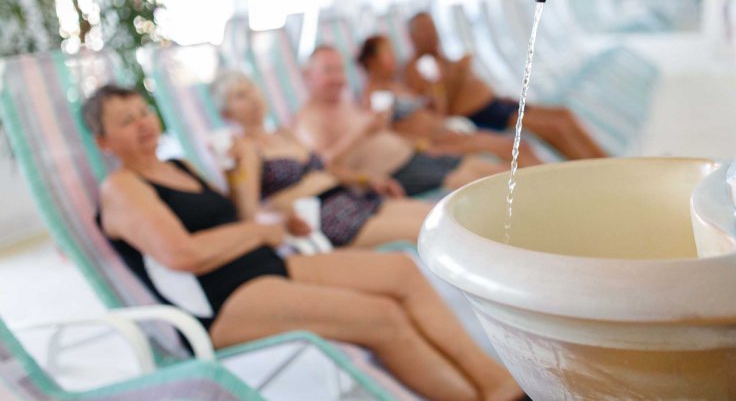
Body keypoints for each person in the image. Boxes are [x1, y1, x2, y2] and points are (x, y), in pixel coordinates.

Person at [84, 84, 525, 401]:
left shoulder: (178, 165)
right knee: (380, 315)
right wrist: (260, 232)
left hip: (264, 264)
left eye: (143, 112)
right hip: (221, 301)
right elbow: (183, 254)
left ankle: (498, 384)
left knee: (400, 271)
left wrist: (246, 185)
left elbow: (238, 219)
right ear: (104, 142)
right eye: (126, 120)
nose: (142, 123)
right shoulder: (121, 188)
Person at [210, 70, 431, 248]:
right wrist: (282, 221)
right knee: (423, 233)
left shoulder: (284, 133)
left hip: (349, 198)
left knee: (433, 217)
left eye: (252, 89)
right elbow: (248, 213)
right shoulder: (244, 150)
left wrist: (367, 180)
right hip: (325, 218)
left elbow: (327, 169)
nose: (252, 98)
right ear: (226, 114)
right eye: (240, 95)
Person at [294, 46, 505, 197]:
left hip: (413, 154)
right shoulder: (309, 120)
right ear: (308, 75)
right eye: (328, 71)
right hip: (395, 172)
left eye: (340, 70)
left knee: (485, 168)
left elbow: (377, 133)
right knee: (472, 182)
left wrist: (419, 145)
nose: (338, 78)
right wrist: (361, 135)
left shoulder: (344, 101)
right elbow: (322, 165)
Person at [403, 12, 608, 160]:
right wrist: (456, 75)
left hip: (496, 103)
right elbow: (439, 112)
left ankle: (607, 163)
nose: (432, 33)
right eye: (424, 29)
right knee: (554, 127)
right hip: (482, 114)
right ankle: (593, 171)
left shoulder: (441, 58)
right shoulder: (418, 67)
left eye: (432, 26)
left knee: (563, 114)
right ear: (412, 37)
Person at [358, 33, 542, 167]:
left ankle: (552, 186)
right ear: (372, 60)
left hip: (448, 133)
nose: (394, 57)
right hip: (436, 144)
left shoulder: (397, 86)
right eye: (387, 52)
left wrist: (436, 90)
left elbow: (438, 114)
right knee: (512, 150)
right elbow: (384, 133)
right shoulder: (375, 95)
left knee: (520, 147)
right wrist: (423, 146)